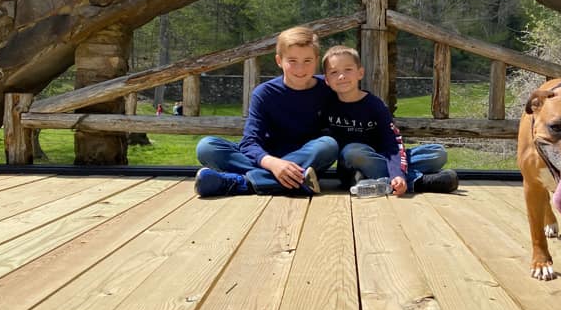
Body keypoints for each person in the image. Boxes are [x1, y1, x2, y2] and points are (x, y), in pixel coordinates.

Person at [194, 26, 338, 197]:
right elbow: (249, 142)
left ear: (316, 60)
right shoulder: (264, 93)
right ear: (279, 60)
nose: (300, 69)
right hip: (268, 158)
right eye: (292, 61)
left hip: (305, 158)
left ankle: (241, 183)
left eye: (307, 61)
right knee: (206, 147)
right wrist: (274, 164)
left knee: (328, 145)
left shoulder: (328, 88)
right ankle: (295, 182)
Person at [321, 44, 458, 195]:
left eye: (348, 69)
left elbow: (392, 142)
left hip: (382, 157)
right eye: (334, 72)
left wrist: (397, 172)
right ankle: (419, 182)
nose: (342, 76)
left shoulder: (375, 105)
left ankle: (378, 181)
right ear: (326, 80)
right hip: (350, 164)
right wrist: (396, 172)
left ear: (360, 73)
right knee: (352, 151)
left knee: (438, 153)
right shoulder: (326, 103)